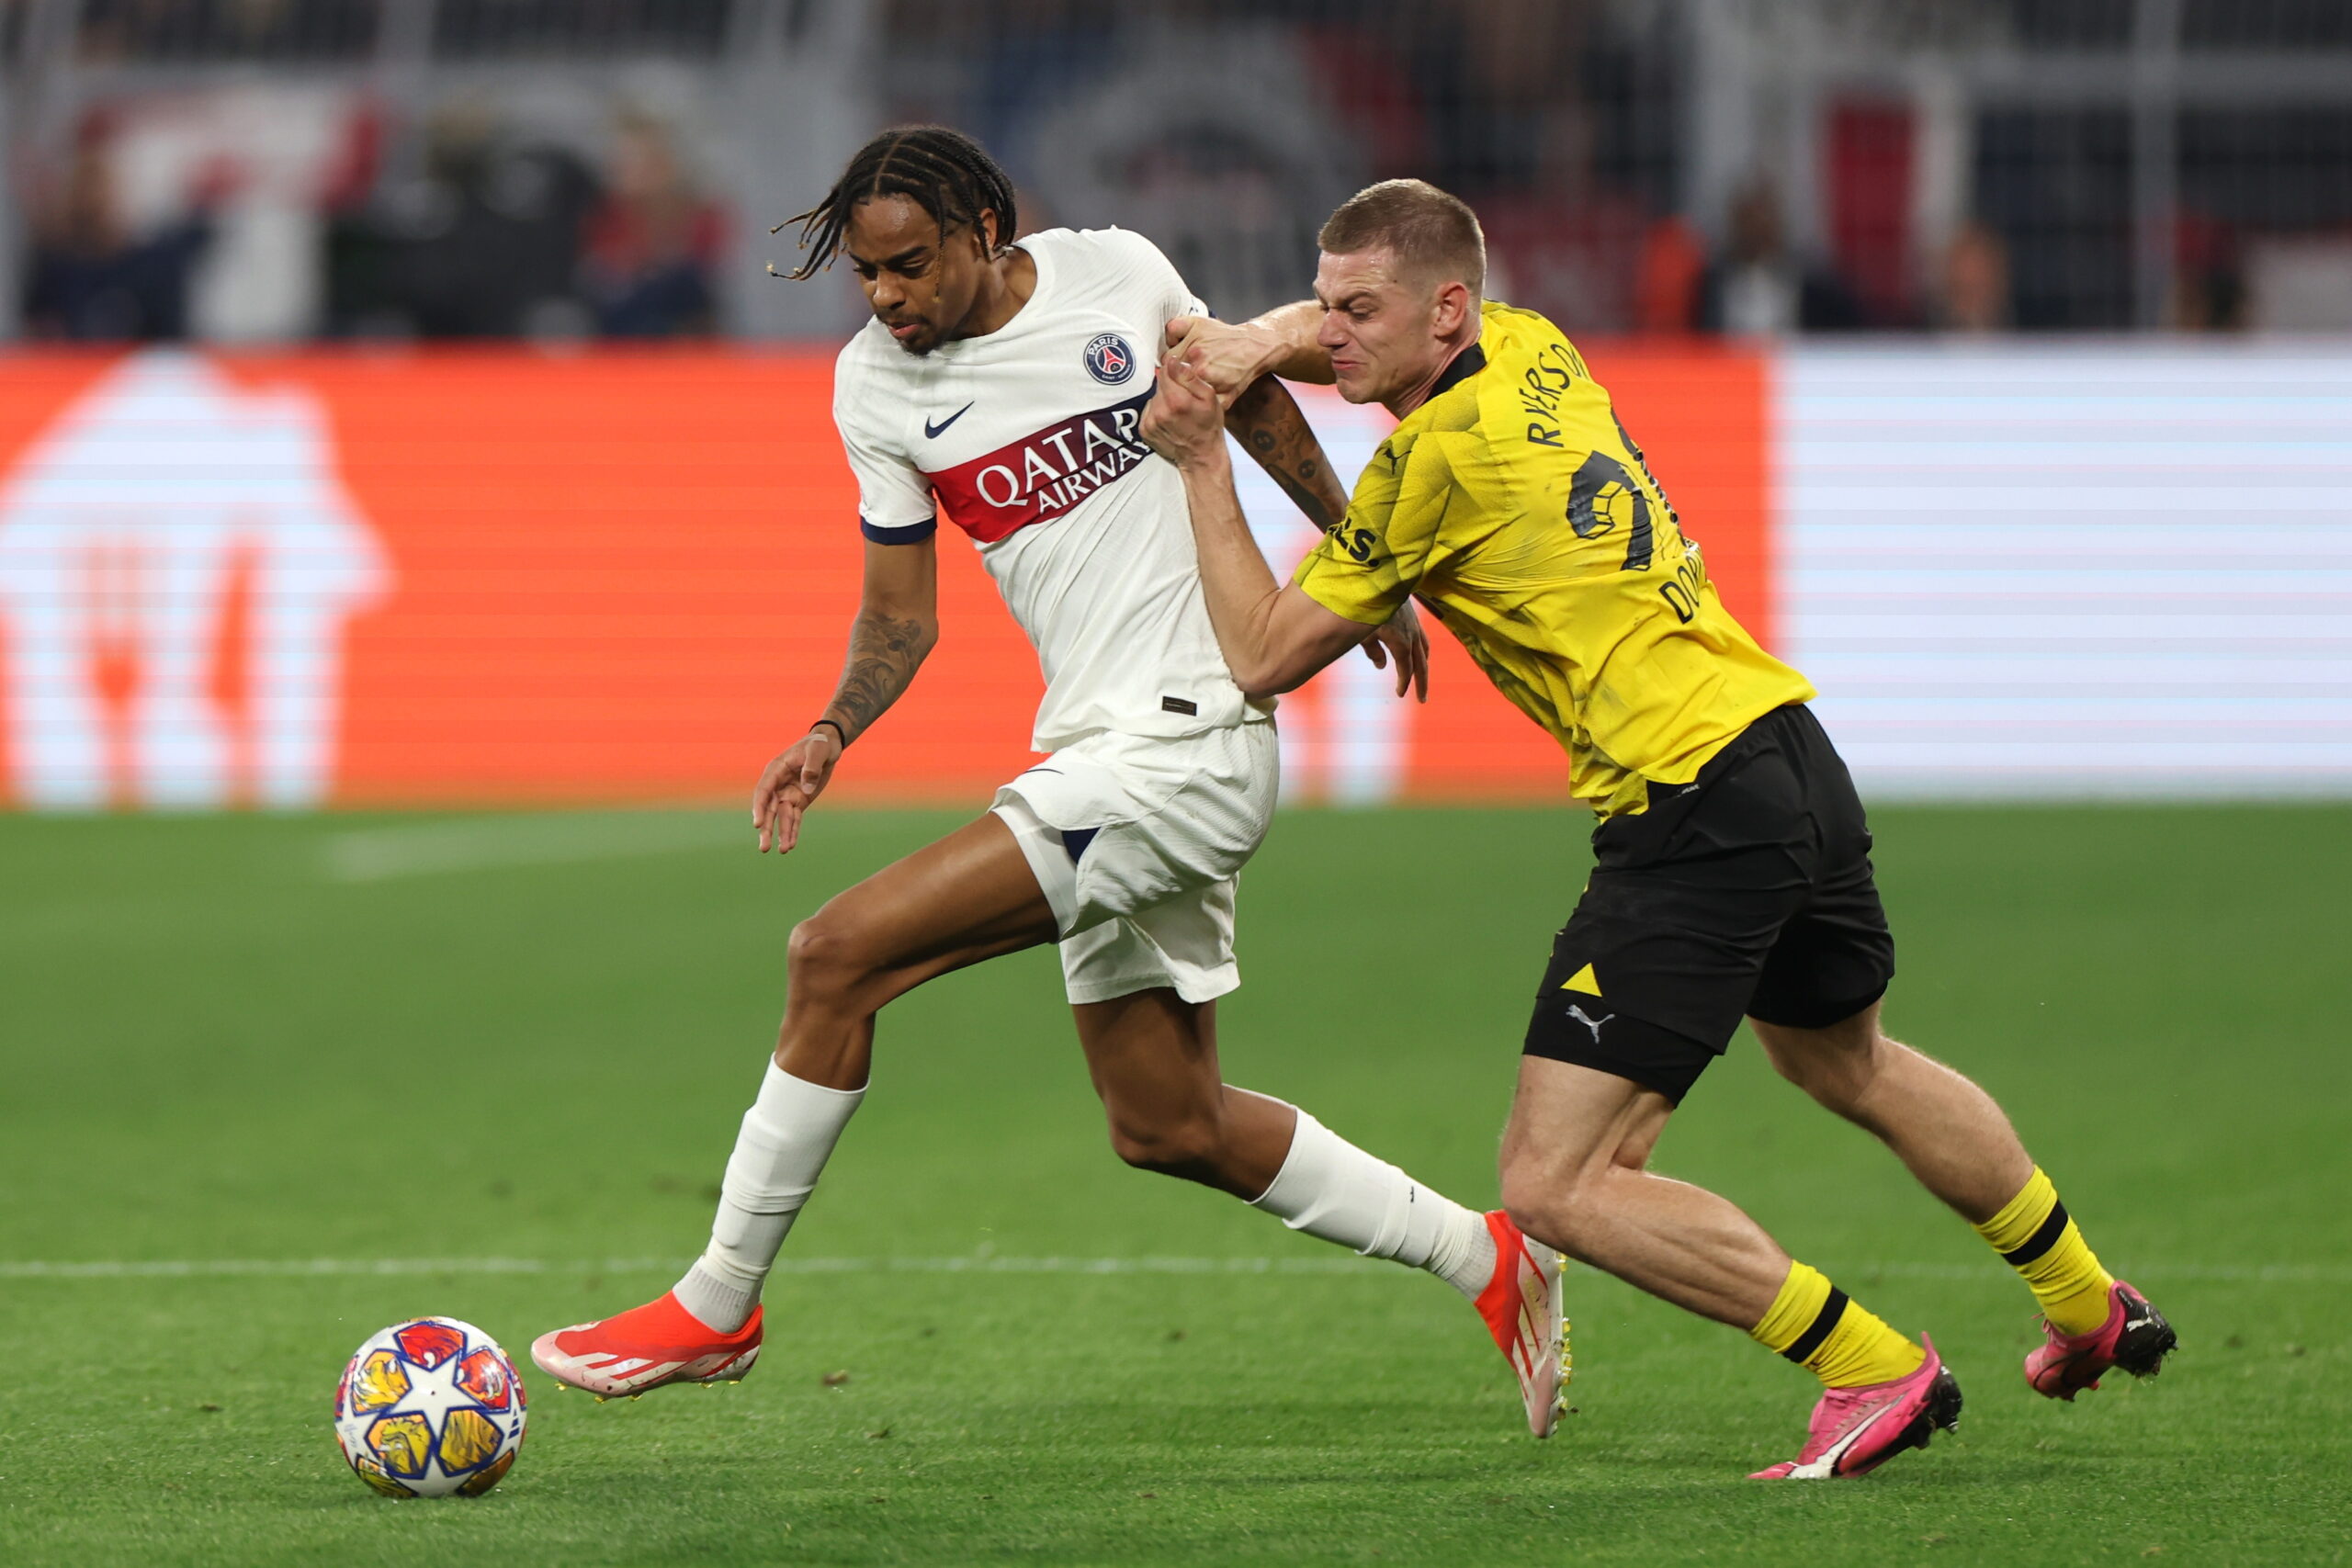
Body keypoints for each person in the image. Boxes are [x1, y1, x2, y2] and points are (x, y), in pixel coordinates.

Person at [531, 130, 1571, 1437]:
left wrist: (1354, 563)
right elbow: (901, 618)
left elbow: (1249, 394)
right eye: (866, 275)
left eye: (910, 266)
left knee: (836, 953)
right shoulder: (873, 390)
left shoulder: (1116, 275)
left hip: (1187, 745)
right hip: (1099, 753)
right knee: (1169, 1123)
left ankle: (717, 1300)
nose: (889, 298)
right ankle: (1492, 1260)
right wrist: (831, 728)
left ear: (983, 229)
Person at [1141, 177, 2177, 1480]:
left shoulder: (1432, 462)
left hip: (1689, 809)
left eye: (1359, 311)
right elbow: (1369, 320)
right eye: (1325, 302)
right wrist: (1256, 343)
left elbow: (1257, 654)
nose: (1329, 332)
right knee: (1844, 1060)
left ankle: (1867, 1364)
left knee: (1552, 1182)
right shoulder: (1532, 343)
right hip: (1786, 750)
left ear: (1445, 311)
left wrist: (1197, 457)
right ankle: (2084, 1299)